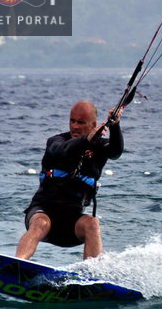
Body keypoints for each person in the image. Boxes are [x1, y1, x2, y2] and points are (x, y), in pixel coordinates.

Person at [15, 100, 123, 260]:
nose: (75, 126)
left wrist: (115, 126)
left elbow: (115, 152)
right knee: (41, 223)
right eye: (72, 121)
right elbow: (64, 151)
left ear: (93, 124)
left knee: (92, 224)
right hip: (42, 214)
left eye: (81, 122)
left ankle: (92, 276)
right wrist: (87, 140)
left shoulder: (100, 147)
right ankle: (18, 263)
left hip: (70, 226)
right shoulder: (56, 141)